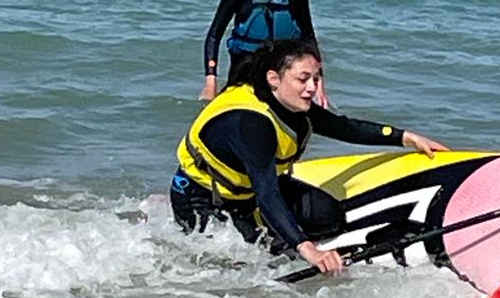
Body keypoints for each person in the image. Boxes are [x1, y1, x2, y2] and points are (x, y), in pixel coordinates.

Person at [172, 40, 448, 276]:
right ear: (274, 78)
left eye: (316, 79)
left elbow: (343, 127)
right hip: (203, 198)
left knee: (327, 216)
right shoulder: (251, 123)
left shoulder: (288, 102)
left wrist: (406, 138)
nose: (312, 88)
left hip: (248, 194)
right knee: (249, 265)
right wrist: (308, 250)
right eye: (303, 79)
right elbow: (267, 193)